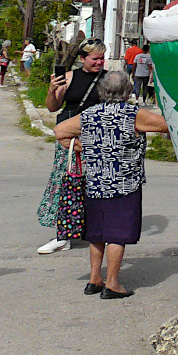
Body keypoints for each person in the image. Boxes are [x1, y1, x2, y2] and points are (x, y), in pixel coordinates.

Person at [53, 69, 168, 298]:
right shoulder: (133, 114)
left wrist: (85, 149)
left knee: (97, 233)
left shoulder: (90, 113)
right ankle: (112, 283)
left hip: (95, 182)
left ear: (103, 91)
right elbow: (167, 126)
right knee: (117, 234)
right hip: (125, 184)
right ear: (127, 91)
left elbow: (60, 132)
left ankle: (94, 279)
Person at [38, 40, 107, 255]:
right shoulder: (68, 77)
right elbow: (52, 107)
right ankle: (63, 236)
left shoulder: (109, 79)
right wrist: (52, 90)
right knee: (65, 183)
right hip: (68, 139)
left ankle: (93, 229)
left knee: (95, 185)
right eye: (94, 58)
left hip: (96, 139)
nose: (99, 62)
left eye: (102, 58)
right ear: (82, 58)